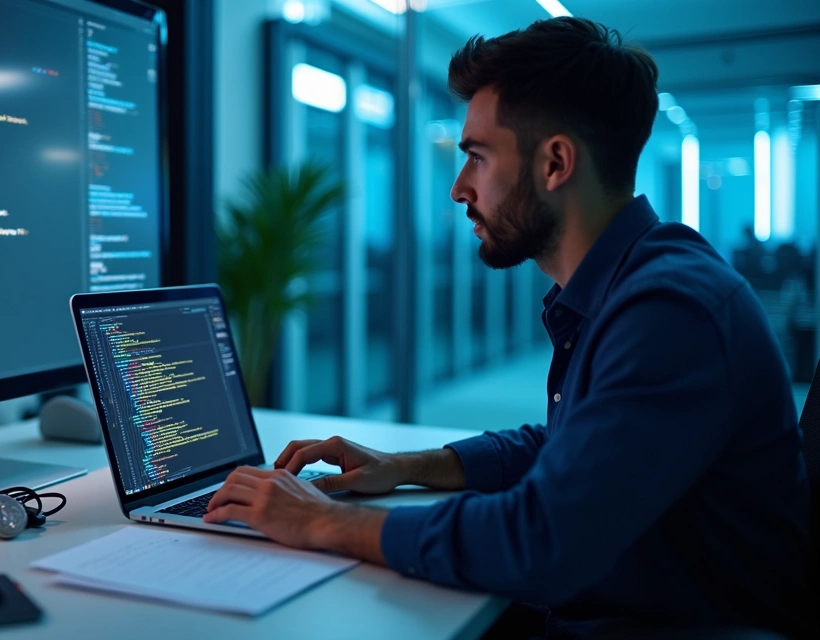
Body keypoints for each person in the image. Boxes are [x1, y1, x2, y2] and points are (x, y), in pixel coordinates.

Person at [204, 17, 811, 638]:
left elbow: (543, 540)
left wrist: (321, 521)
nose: (458, 188)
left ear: (555, 163)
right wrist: (404, 464)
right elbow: (571, 448)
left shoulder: (670, 311)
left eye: (477, 156)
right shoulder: (633, 284)